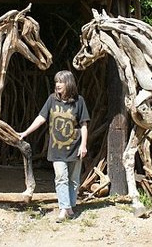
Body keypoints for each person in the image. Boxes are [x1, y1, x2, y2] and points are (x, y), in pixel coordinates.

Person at [19, 70, 90, 223]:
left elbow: (84, 124)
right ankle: (65, 208)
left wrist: (83, 145)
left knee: (74, 179)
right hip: (57, 149)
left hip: (75, 147)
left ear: (68, 84)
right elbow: (41, 118)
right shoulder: (52, 100)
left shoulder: (79, 101)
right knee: (60, 177)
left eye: (61, 82)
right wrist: (25, 132)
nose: (57, 85)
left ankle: (70, 206)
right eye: (56, 81)